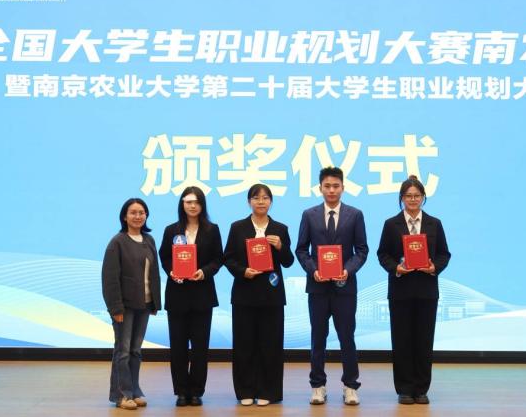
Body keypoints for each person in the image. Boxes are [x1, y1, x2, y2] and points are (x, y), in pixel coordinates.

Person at [295, 166, 369, 406]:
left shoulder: (355, 215)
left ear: (343, 188)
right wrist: (313, 270)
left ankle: (350, 386)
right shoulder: (309, 215)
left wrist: (347, 270)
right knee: (318, 338)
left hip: (344, 287)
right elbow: (301, 249)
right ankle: (318, 386)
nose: (331, 190)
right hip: (317, 288)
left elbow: (362, 250)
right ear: (320, 188)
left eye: (336, 186)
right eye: (327, 186)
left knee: (347, 337)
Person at [376, 175, 451, 405]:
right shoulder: (391, 224)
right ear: (401, 198)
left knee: (424, 341)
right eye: (408, 196)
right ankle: (405, 389)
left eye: (417, 196)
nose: (412, 199)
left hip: (427, 290)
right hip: (400, 290)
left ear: (423, 197)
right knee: (402, 340)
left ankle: (421, 389)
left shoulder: (434, 223)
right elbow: (383, 254)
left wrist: (434, 267)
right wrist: (396, 268)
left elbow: (444, 254)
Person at [223, 184, 295, 406]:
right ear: (249, 202)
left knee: (270, 345)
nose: (261, 202)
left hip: (272, 296)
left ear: (271, 201)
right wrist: (242, 271)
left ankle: (268, 391)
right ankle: (245, 390)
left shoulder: (280, 228)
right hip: (244, 294)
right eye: (256, 198)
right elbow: (228, 258)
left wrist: (281, 246)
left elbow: (288, 261)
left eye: (265, 198)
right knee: (244, 344)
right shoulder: (238, 227)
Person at [158, 186, 223, 407]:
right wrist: (171, 271)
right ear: (182, 204)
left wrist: (204, 272)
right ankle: (180, 391)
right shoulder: (171, 230)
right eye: (188, 202)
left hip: (202, 295)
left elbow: (218, 259)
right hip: (177, 295)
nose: (192, 206)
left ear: (202, 205)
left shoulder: (212, 230)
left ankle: (196, 391)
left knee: (200, 347)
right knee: (177, 347)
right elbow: (165, 257)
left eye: (196, 202)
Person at [102, 198, 162, 410]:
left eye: (141, 212)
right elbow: (110, 279)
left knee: (136, 351)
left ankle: (134, 390)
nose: (138, 216)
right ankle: (121, 395)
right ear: (124, 216)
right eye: (133, 212)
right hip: (124, 307)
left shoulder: (149, 240)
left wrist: (155, 303)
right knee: (123, 351)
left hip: (143, 304)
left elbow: (154, 274)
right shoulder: (117, 242)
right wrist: (115, 308)